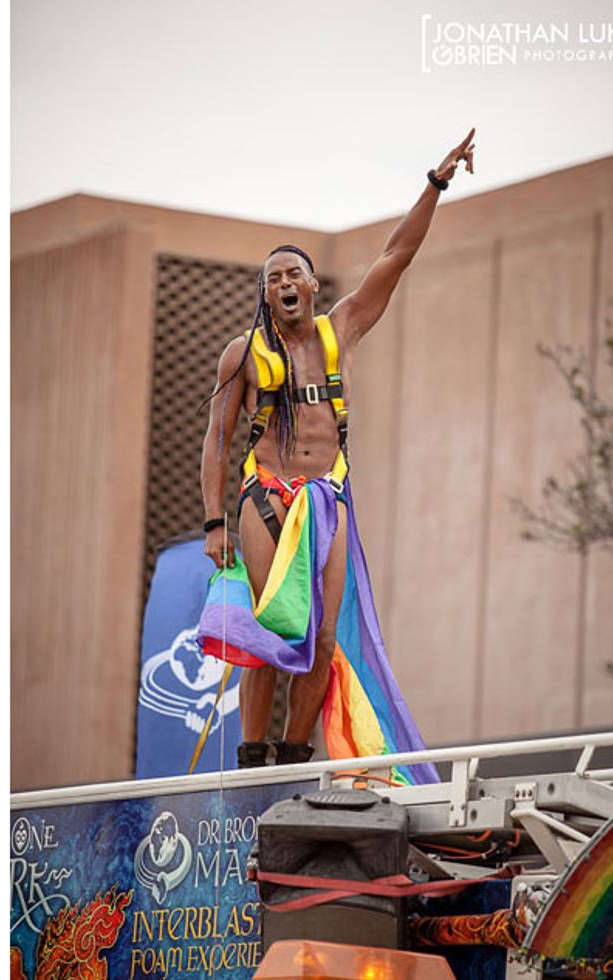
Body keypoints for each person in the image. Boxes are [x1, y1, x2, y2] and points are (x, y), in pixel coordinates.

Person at [199, 129, 476, 771]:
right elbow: (216, 440)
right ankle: (253, 761)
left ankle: (294, 759)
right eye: (273, 278)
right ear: (266, 295)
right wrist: (215, 522)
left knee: (323, 640)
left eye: (293, 273)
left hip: (328, 500)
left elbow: (396, 255)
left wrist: (435, 183)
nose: (284, 282)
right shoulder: (243, 354)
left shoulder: (341, 329)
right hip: (267, 497)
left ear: (312, 286)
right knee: (270, 631)